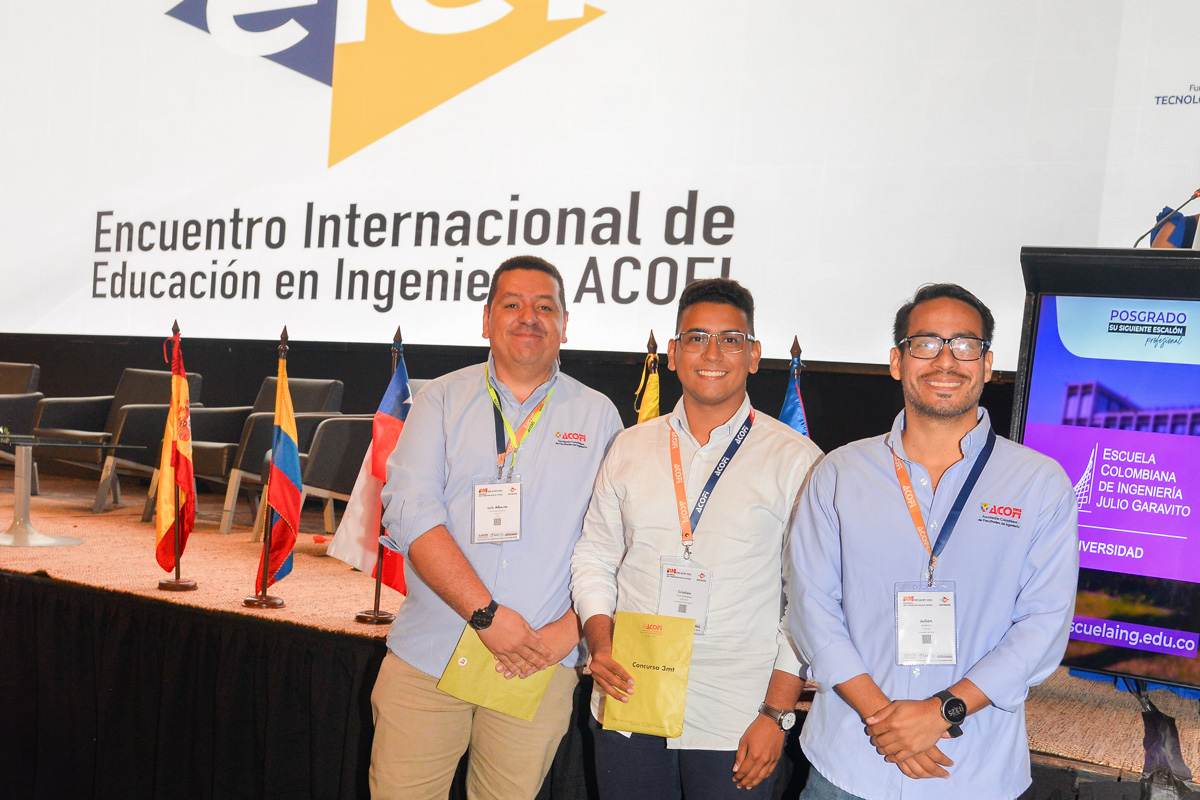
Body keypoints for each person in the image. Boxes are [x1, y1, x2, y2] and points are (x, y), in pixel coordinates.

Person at [788, 283, 1079, 799]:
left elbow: (1043, 625)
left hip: (973, 771)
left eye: (964, 345)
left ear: (988, 365)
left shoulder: (1039, 483)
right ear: (897, 361)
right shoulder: (839, 473)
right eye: (925, 343)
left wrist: (942, 712)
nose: (945, 360)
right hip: (850, 762)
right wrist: (888, 722)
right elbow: (812, 610)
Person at [370, 255, 623, 799]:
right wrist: (485, 615)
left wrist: (571, 630)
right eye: (512, 304)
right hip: (431, 656)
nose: (528, 317)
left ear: (564, 323)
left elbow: (615, 540)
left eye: (544, 306)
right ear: (486, 320)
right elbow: (411, 513)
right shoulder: (440, 398)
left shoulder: (598, 415)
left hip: (537, 660)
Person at [571, 278, 823, 799]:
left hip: (738, 711)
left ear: (753, 355)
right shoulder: (630, 446)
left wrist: (777, 714)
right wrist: (600, 641)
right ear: (673, 352)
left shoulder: (796, 459)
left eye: (731, 340)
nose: (712, 353)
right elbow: (595, 555)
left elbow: (807, 598)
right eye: (696, 338)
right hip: (631, 693)